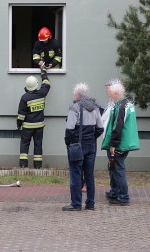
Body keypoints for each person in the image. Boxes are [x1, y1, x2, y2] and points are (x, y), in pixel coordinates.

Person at [62, 83, 104, 211]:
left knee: (75, 174)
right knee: (89, 175)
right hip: (91, 146)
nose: (73, 95)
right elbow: (100, 128)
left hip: (77, 146)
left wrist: (68, 143)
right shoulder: (95, 108)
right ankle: (90, 204)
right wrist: (91, 138)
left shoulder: (74, 107)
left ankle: (76, 204)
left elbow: (69, 129)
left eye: (74, 93)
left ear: (78, 95)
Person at [101, 81, 139, 206]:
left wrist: (113, 144)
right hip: (125, 143)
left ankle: (123, 197)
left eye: (111, 94)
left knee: (118, 169)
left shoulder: (120, 107)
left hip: (120, 144)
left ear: (117, 93)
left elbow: (118, 126)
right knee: (115, 167)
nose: (110, 96)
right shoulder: (127, 104)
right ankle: (116, 193)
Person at [17, 67, 50, 169]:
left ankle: (23, 165)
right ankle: (38, 165)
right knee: (38, 144)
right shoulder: (42, 93)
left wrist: (18, 124)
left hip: (27, 126)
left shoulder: (24, 97)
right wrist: (43, 73)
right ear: (36, 85)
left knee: (25, 144)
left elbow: (21, 114)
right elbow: (47, 84)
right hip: (39, 125)